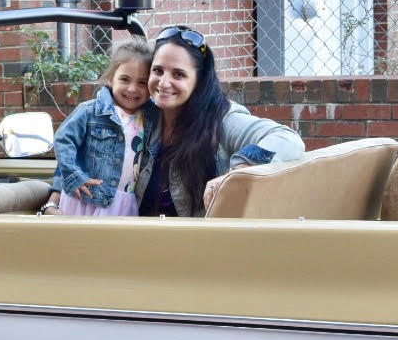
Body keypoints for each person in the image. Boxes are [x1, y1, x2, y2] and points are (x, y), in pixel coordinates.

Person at [135, 25, 304, 217]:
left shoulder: (221, 120)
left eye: (178, 74)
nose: (164, 83)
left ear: (199, 81)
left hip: (199, 243)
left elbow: (287, 139)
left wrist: (240, 170)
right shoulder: (143, 117)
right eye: (158, 71)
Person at [43, 37, 154, 217]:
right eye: (125, 79)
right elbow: (64, 140)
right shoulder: (90, 111)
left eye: (142, 82)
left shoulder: (151, 118)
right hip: (84, 197)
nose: (133, 89)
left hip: (124, 202)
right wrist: (73, 176)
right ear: (111, 78)